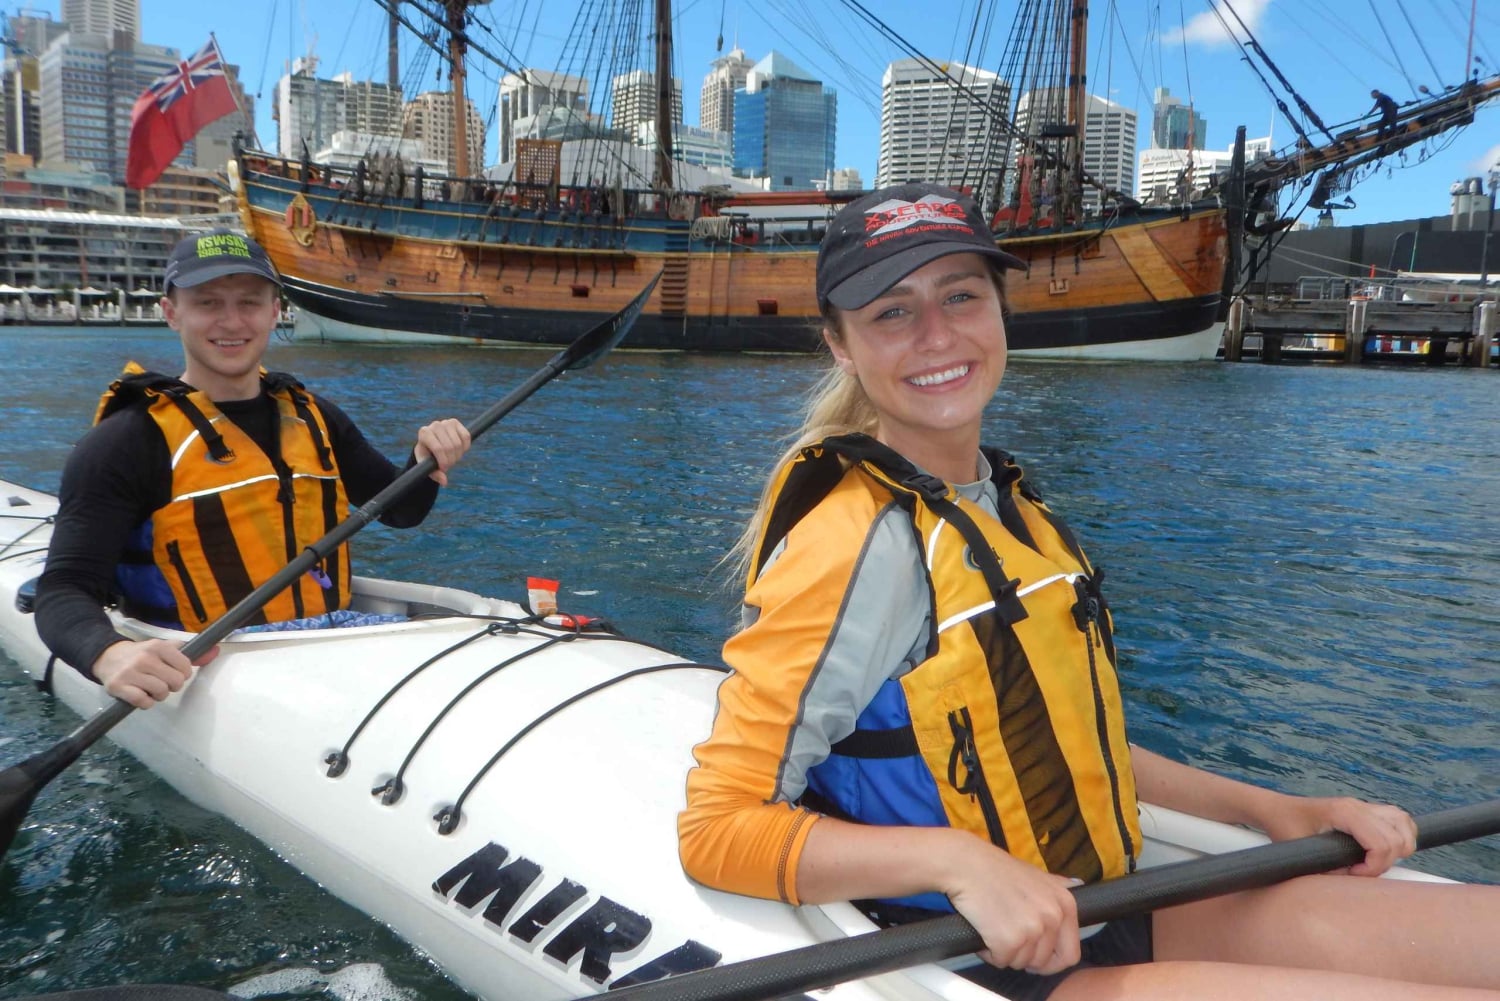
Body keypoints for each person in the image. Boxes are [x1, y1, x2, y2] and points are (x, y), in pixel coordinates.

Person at [677, 183, 1500, 1000]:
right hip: (973, 958)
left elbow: (1068, 738)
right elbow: (719, 827)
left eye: (961, 296)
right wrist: (956, 862)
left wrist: (1271, 806)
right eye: (892, 312)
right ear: (841, 347)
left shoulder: (1008, 505)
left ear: (1000, 313)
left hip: (1103, 906)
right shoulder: (854, 543)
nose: (936, 335)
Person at [35, 230, 472, 711]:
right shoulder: (125, 442)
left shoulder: (313, 416)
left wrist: (425, 458)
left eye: (249, 302)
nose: (232, 321)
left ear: (274, 311)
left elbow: (401, 511)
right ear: (171, 313)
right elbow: (63, 590)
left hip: (328, 646)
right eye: (208, 303)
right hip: (208, 662)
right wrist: (109, 653)